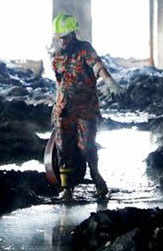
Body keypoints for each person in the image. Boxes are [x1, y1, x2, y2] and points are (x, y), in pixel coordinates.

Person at [48, 13, 123, 202]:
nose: (62, 42)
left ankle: (97, 178)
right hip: (64, 109)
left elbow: (97, 65)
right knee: (63, 147)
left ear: (73, 33)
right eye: (60, 38)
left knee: (87, 146)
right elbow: (60, 83)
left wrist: (108, 80)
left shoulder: (85, 49)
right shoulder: (57, 56)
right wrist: (55, 107)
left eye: (65, 37)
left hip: (85, 108)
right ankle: (67, 189)